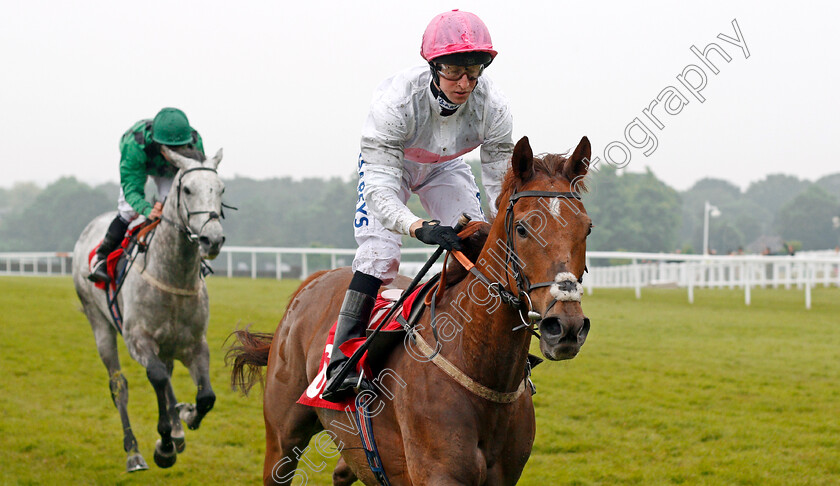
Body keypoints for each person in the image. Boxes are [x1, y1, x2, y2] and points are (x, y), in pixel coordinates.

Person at [321, 9, 514, 401]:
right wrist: (418, 227)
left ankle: (490, 345)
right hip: (390, 167)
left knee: (477, 239)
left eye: (475, 71)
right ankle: (341, 363)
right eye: (455, 72)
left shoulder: (494, 106)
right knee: (379, 254)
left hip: (446, 167)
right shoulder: (395, 103)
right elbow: (380, 193)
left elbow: (500, 187)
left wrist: (499, 232)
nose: (465, 83)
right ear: (433, 66)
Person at [88, 107, 204, 283]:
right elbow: (131, 190)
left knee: (178, 208)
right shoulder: (134, 144)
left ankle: (195, 260)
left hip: (168, 171)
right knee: (129, 211)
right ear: (158, 144)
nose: (175, 155)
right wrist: (147, 209)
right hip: (141, 162)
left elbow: (197, 180)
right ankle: (101, 256)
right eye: (170, 150)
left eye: (180, 149)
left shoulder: (195, 141)